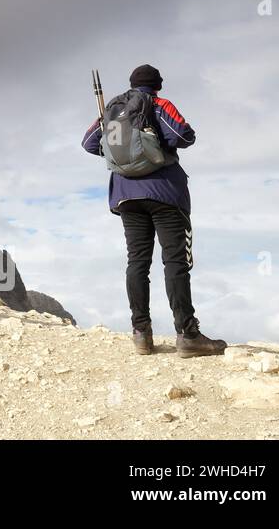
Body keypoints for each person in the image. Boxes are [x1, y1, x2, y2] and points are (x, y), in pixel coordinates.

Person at [83, 64, 225, 357]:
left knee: (137, 261)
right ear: (157, 85)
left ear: (131, 84)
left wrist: (120, 151)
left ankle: (141, 334)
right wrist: (153, 144)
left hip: (125, 196)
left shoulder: (112, 110)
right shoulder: (159, 104)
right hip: (165, 193)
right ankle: (188, 335)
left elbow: (89, 143)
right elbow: (183, 136)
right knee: (175, 262)